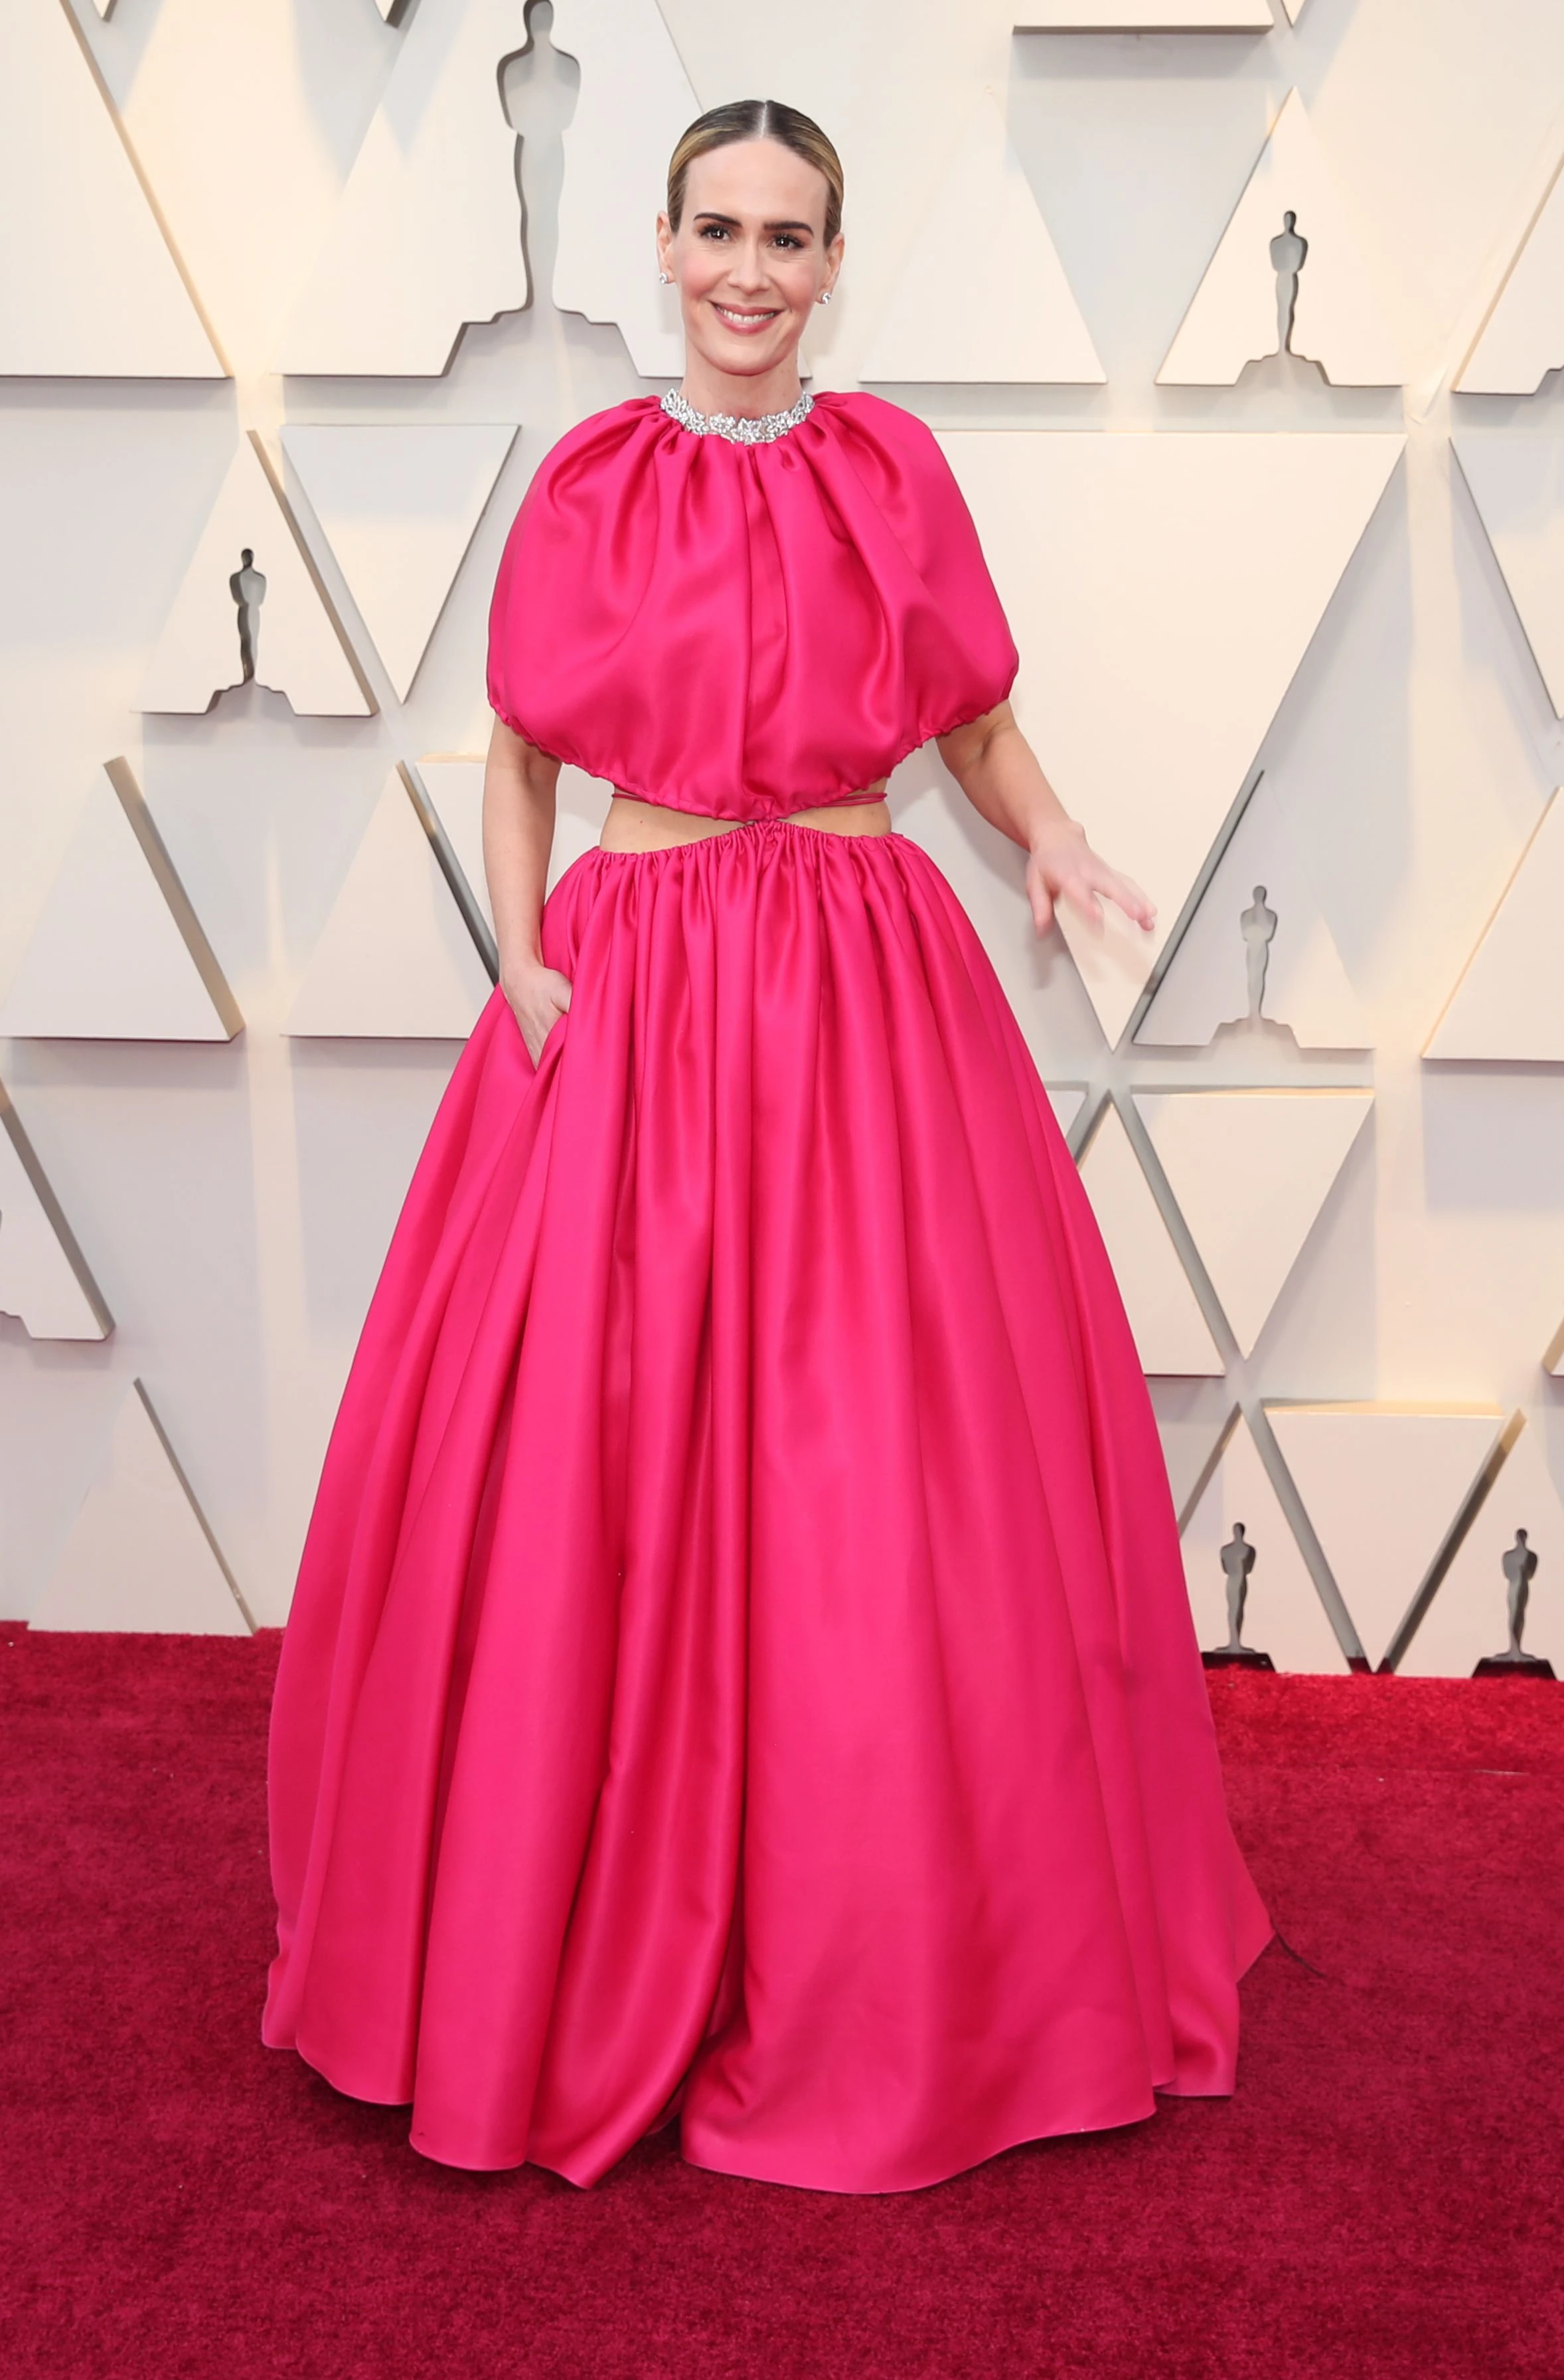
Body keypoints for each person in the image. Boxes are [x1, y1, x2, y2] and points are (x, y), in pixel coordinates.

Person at [263, 97, 1273, 2197]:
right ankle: (577, 1933)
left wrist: (1054, 836)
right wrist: (528, 958)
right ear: (661, 241)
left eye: (787, 236)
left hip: (859, 978)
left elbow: (971, 724)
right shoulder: (594, 476)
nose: (746, 269)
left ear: (833, 259)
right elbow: (521, 741)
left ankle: (900, 1950)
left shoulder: (893, 469)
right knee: (594, 1453)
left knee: (881, 1456)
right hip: (629, 985)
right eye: (716, 229)